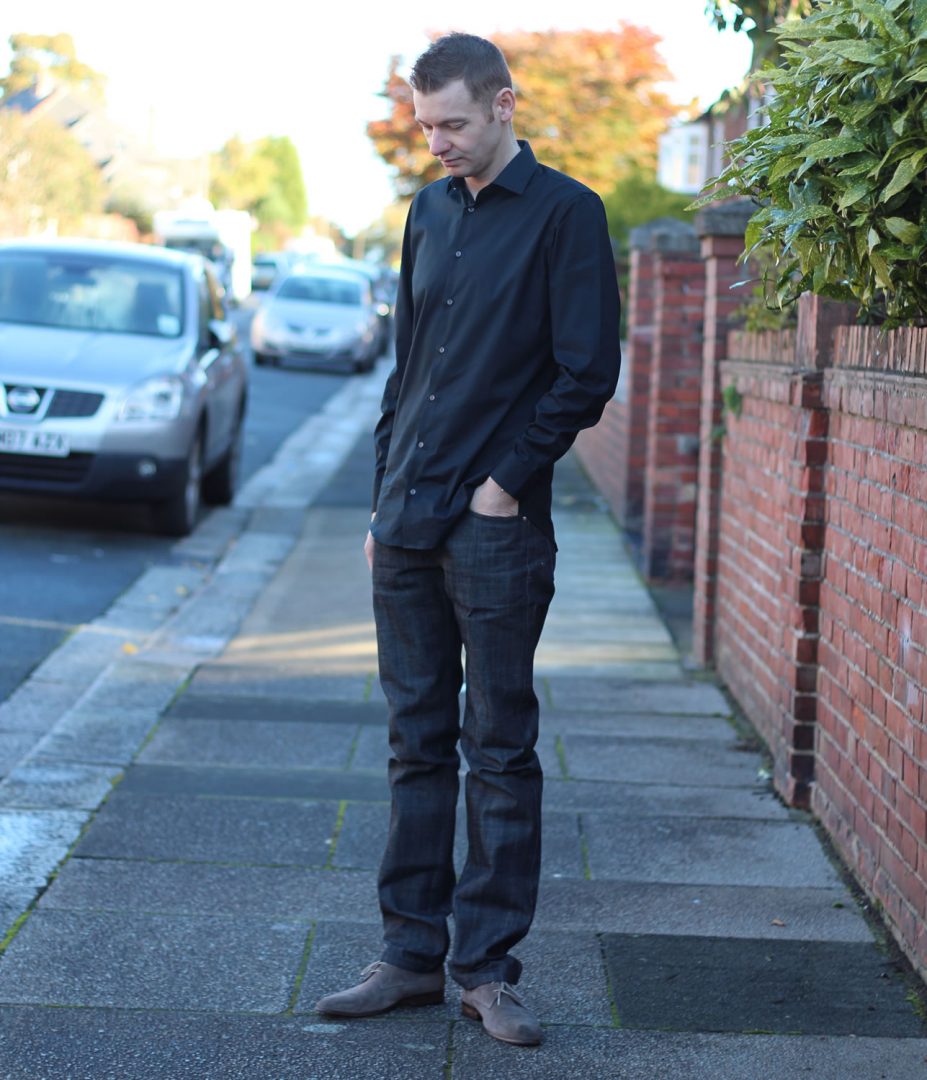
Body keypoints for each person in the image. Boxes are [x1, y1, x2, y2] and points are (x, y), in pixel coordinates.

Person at [315, 32, 621, 1047]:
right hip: (404, 523)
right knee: (414, 744)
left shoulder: (568, 216)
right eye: (424, 123)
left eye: (452, 122)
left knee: (499, 745)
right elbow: (404, 375)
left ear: (503, 104)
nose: (436, 141)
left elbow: (586, 373)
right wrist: (378, 501)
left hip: (494, 530)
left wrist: (503, 484)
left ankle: (485, 969)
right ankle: (407, 955)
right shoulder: (426, 213)